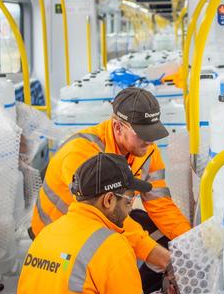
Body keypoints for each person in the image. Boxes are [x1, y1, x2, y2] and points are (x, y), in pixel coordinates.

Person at [12, 153, 185, 294]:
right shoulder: (112, 248)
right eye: (129, 201)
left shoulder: (47, 234)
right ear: (109, 200)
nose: (130, 210)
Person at [31, 87, 192, 278]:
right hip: (57, 237)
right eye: (142, 133)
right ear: (117, 127)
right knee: (118, 257)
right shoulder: (82, 153)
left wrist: (190, 244)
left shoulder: (147, 151)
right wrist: (167, 261)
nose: (150, 140)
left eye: (153, 132)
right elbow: (109, 218)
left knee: (146, 224)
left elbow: (161, 204)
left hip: (97, 224)